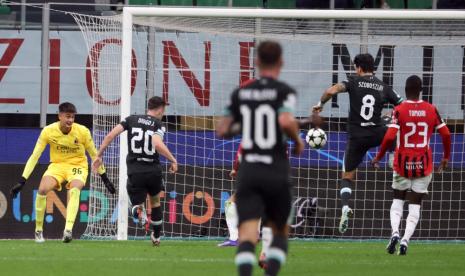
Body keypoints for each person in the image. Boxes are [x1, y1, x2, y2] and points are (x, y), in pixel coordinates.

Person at [216, 40, 304, 276]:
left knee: (246, 234)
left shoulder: (241, 93)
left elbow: (222, 129)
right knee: (279, 229)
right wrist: (297, 140)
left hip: (249, 170)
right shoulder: (285, 91)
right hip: (275, 168)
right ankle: (269, 266)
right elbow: (286, 121)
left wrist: (245, 126)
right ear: (281, 63)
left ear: (256, 62)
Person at [312, 53, 403, 234]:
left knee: (347, 176)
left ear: (359, 68)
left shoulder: (352, 82)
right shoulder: (383, 86)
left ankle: (345, 206)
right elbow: (401, 105)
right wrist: (391, 116)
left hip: (357, 138)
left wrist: (320, 104)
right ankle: (393, 158)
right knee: (393, 129)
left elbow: (331, 91)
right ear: (372, 68)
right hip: (377, 132)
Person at [10, 102, 115, 243]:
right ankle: (38, 231)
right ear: (59, 116)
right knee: (42, 189)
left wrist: (105, 177)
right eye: (67, 117)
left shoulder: (83, 131)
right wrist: (22, 181)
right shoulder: (48, 131)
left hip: (77, 165)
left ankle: (68, 230)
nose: (70, 120)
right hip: (57, 165)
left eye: (72, 117)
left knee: (75, 189)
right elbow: (35, 156)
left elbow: (94, 155)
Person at [372, 75, 451, 255]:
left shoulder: (399, 109)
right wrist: (446, 157)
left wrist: (379, 156)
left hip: (402, 163)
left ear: (405, 90)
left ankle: (394, 233)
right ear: (421, 90)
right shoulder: (431, 109)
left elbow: (390, 136)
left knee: (397, 200)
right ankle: (406, 240)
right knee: (415, 204)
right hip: (423, 164)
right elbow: (446, 134)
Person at [92, 96, 177, 246]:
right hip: (153, 170)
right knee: (155, 202)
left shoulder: (131, 119)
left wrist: (99, 154)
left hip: (135, 170)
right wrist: (173, 159)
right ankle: (156, 237)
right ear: (159, 109)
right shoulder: (158, 124)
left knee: (134, 197)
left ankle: (137, 208)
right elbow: (157, 143)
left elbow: (111, 135)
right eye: (163, 109)